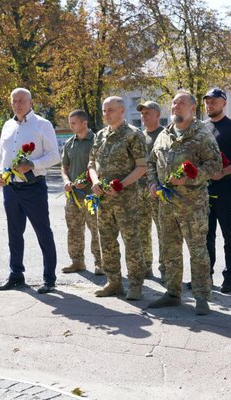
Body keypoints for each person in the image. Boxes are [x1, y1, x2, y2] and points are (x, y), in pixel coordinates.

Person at [147, 90, 222, 315]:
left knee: (197, 251)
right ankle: (173, 292)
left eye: (181, 103)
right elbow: (151, 163)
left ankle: (201, 296)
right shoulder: (164, 134)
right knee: (169, 249)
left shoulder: (201, 134)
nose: (175, 106)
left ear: (192, 108)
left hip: (193, 205)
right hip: (166, 204)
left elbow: (215, 167)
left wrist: (189, 177)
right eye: (173, 103)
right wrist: (153, 183)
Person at [0, 88, 60, 294]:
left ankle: (49, 279)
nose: (17, 104)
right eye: (14, 100)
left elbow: (54, 156)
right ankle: (16, 275)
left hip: (34, 187)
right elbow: (0, 153)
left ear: (31, 102)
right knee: (14, 233)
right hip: (10, 188)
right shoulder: (7, 125)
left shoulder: (42, 124)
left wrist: (32, 164)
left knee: (43, 232)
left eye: (21, 100)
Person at [88, 96, 148, 300]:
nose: (106, 114)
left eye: (111, 110)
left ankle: (136, 285)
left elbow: (142, 167)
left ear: (122, 111)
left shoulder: (133, 135)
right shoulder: (100, 135)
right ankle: (113, 282)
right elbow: (92, 164)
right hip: (104, 201)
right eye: (104, 110)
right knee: (107, 242)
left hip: (126, 200)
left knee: (132, 242)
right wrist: (95, 181)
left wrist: (121, 185)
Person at [203, 88, 231, 293]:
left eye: (213, 102)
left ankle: (230, 276)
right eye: (207, 102)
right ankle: (206, 275)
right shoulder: (202, 128)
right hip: (205, 188)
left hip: (227, 186)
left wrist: (224, 171)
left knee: (229, 233)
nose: (209, 105)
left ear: (223, 103)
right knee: (206, 234)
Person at [60, 110, 103, 276]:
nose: (71, 126)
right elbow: (64, 167)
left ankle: (101, 263)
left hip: (92, 196)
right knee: (74, 229)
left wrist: (86, 181)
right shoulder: (70, 143)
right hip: (73, 197)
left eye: (74, 123)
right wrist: (66, 181)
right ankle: (77, 261)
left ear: (84, 123)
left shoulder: (97, 141)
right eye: (70, 123)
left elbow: (100, 166)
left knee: (96, 229)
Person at [136, 100, 166, 282]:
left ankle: (165, 269)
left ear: (157, 114)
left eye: (147, 113)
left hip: (159, 191)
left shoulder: (165, 134)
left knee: (163, 231)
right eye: (142, 113)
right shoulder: (139, 136)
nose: (144, 116)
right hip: (139, 190)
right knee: (142, 231)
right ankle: (146, 267)